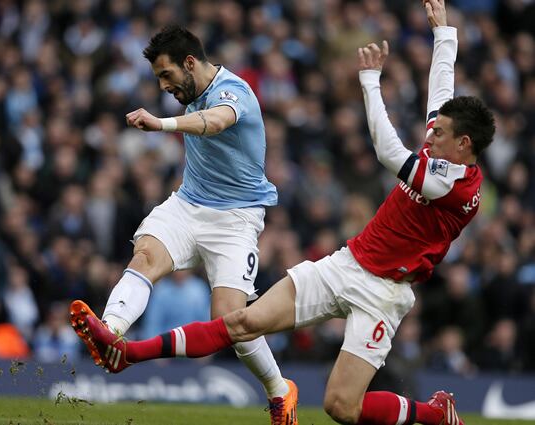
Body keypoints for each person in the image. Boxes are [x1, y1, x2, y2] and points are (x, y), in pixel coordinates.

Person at [69, 1, 496, 424]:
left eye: (439, 131)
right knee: (240, 322)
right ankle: (124, 351)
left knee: (341, 408)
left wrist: (370, 80)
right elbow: (442, 92)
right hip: (346, 263)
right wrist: (444, 33)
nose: (431, 131)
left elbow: (387, 151)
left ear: (463, 145)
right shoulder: (446, 147)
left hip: (384, 291)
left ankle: (435, 415)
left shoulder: (446, 183)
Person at [69, 25, 297, 424]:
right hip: (188, 204)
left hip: (236, 219)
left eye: (166, 75)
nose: (163, 86)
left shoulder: (235, 92)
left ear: (190, 63)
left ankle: (280, 390)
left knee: (231, 321)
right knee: (145, 257)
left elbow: (216, 121)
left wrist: (162, 124)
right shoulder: (191, 90)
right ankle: (110, 333)